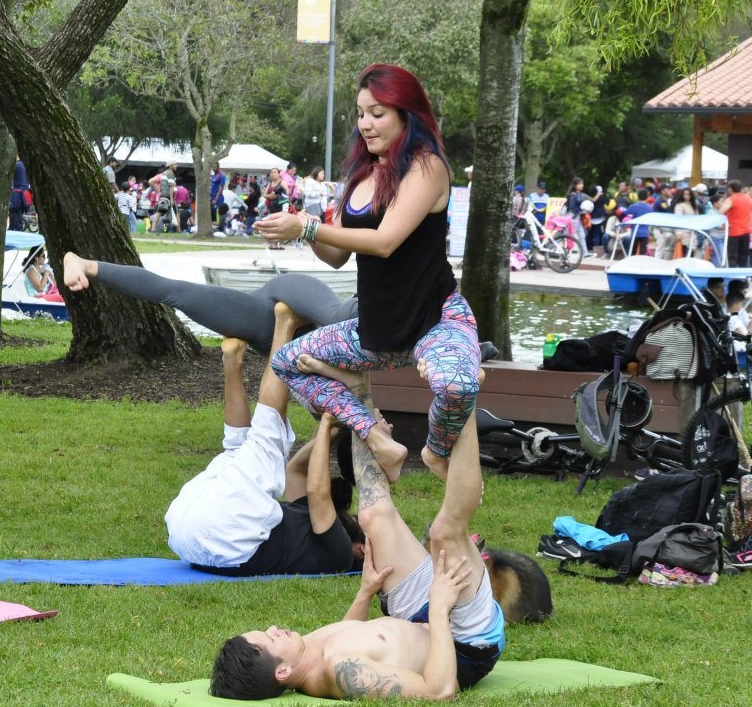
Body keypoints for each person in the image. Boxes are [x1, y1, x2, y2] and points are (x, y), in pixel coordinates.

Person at [255, 64, 481, 483]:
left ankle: (435, 451)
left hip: (437, 320)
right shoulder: (361, 175)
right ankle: (376, 436)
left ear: (406, 114)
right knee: (287, 362)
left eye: (377, 113)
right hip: (377, 329)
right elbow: (336, 255)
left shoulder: (427, 167)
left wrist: (307, 228)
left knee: (457, 387)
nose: (365, 124)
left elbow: (384, 241)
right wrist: (303, 228)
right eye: (361, 114)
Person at [209, 401, 503, 702]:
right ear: (282, 672)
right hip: (462, 645)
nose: (274, 628)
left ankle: (360, 403)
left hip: (418, 616)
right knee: (443, 534)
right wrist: (439, 608)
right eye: (270, 639)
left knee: (372, 517)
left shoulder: (303, 652)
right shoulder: (343, 674)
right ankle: (464, 398)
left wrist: (366, 592)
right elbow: (438, 691)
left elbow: (347, 632)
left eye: (265, 630)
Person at [167, 306, 362, 577]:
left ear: (362, 550)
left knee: (268, 439)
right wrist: (332, 433)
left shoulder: (339, 554)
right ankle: (232, 361)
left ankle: (285, 323)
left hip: (227, 539)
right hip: (191, 534)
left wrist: (328, 422)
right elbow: (296, 469)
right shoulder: (308, 526)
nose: (359, 516)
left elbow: (318, 492)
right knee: (239, 449)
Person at [63, 252, 357, 356]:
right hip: (275, 311)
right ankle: (85, 264)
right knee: (175, 292)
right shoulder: (259, 321)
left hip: (300, 340)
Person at [718, 178, 752, 267]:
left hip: (733, 232)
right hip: (746, 231)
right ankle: (743, 274)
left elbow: (721, 212)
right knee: (743, 257)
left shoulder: (731, 199)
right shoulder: (748, 198)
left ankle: (732, 274)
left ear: (730, 189)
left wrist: (724, 224)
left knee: (732, 257)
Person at [9, 154, 30, 230]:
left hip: (17, 195)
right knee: (18, 218)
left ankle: (15, 232)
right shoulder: (25, 165)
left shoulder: (17, 165)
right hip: (25, 195)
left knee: (15, 220)